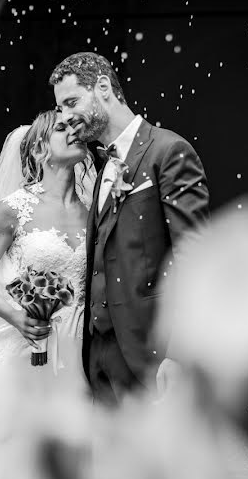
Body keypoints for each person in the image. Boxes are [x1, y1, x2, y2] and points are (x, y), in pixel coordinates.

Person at [48, 51, 211, 405]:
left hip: (150, 355)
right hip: (98, 357)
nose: (66, 117)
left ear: (103, 87)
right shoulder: (100, 167)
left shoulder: (169, 151)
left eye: (72, 102)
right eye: (61, 108)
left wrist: (179, 354)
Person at [0, 109, 96, 479]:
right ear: (39, 149)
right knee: (15, 460)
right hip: (19, 356)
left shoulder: (95, 210)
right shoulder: (12, 209)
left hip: (73, 358)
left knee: (67, 460)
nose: (74, 132)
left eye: (77, 126)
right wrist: (18, 315)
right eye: (61, 128)